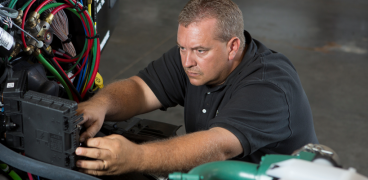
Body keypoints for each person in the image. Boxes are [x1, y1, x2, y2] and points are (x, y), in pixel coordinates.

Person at [75, 0, 318, 176]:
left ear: (232, 47)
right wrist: (101, 104)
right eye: (182, 47)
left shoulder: (269, 84)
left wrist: (136, 158)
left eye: (200, 50)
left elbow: (218, 147)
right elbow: (141, 89)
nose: (187, 61)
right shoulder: (192, 58)